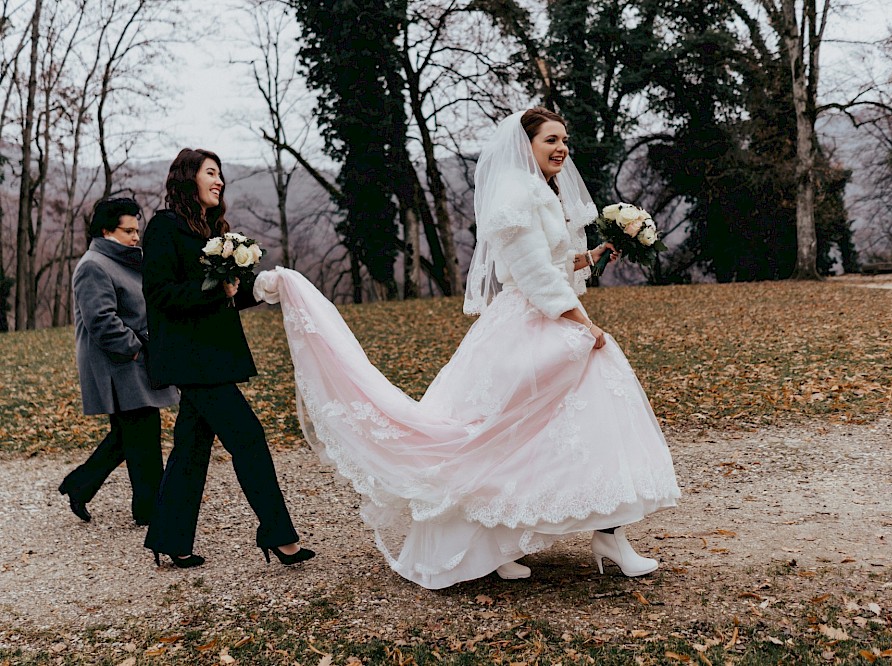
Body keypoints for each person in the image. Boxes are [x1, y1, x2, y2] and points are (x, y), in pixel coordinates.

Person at [254, 107, 679, 589]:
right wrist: (585, 323)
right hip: (529, 325)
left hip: (547, 318)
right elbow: (534, 276)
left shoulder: (540, 190)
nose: (562, 148)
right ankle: (498, 542)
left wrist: (594, 256)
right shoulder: (515, 195)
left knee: (576, 427)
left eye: (565, 140)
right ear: (527, 145)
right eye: (551, 140)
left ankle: (607, 533)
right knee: (500, 439)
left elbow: (554, 263)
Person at [140, 148, 315, 569]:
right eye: (211, 173)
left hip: (214, 357)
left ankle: (169, 537)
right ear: (188, 179)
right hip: (192, 360)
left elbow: (228, 296)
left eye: (221, 175)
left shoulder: (209, 230)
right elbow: (160, 294)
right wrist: (216, 289)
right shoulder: (164, 228)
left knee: (191, 448)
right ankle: (278, 534)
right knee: (249, 439)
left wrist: (266, 287)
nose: (219, 181)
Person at [59, 197, 179, 526]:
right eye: (128, 231)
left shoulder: (122, 262)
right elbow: (102, 323)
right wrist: (138, 349)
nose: (135, 237)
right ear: (106, 231)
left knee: (127, 437)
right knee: (142, 435)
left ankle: (79, 485)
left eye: (137, 230)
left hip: (132, 362)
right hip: (119, 365)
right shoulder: (93, 265)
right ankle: (150, 511)